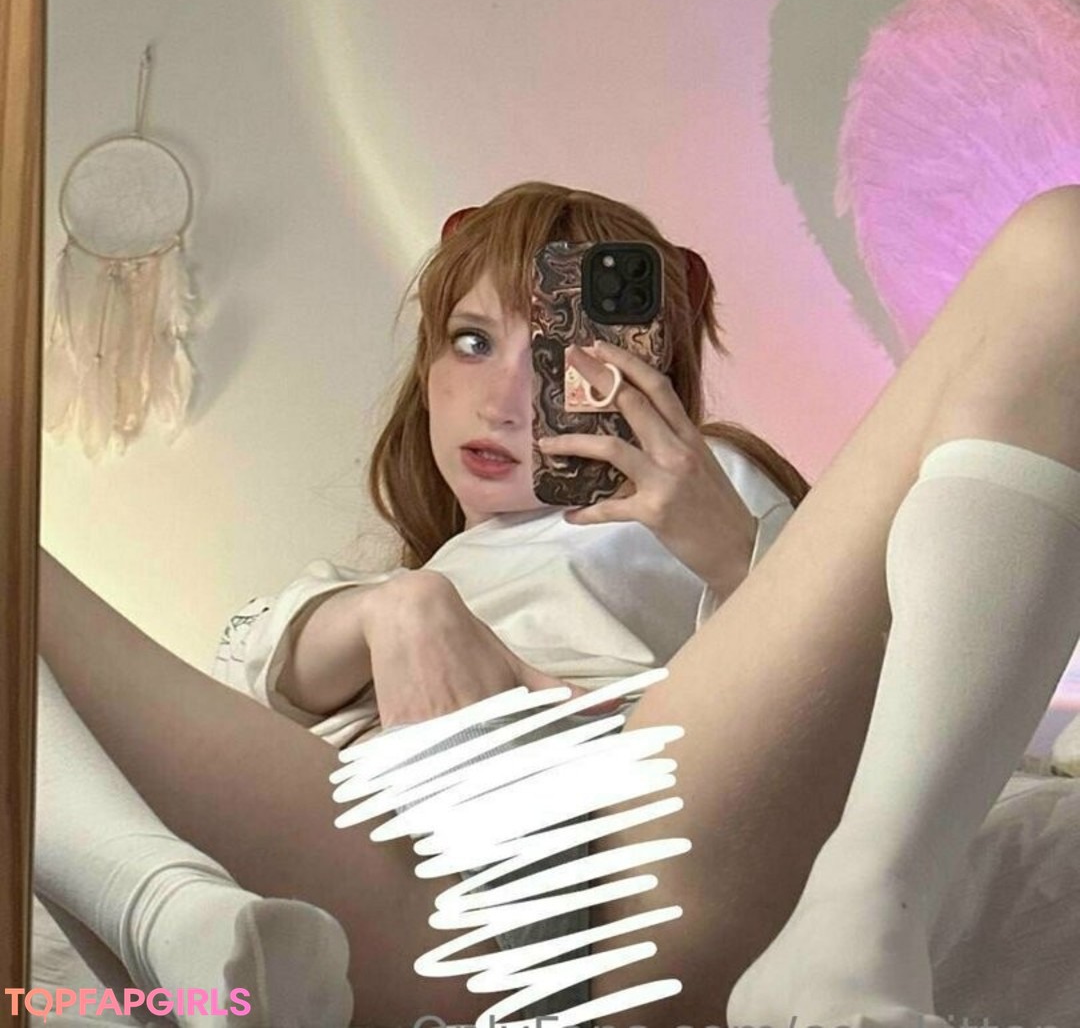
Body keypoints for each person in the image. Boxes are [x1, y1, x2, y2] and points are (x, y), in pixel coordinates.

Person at [34, 179, 1080, 1028]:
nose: (502, 398)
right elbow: (253, 669)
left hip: (647, 839)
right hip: (384, 882)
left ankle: (862, 913)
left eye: (558, 352)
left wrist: (729, 547)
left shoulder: (717, 485)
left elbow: (881, 676)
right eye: (470, 341)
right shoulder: (383, 584)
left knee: (1058, 246)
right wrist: (407, 610)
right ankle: (165, 905)